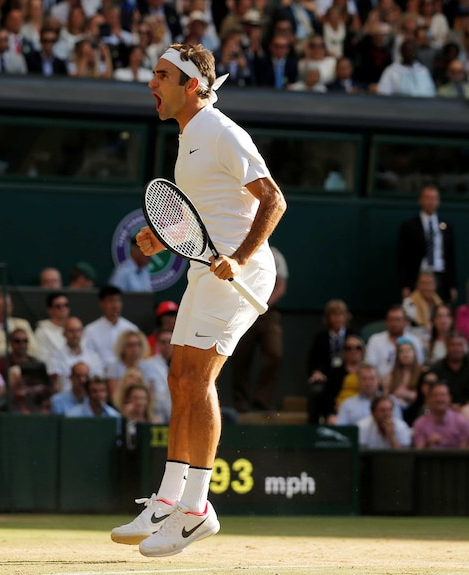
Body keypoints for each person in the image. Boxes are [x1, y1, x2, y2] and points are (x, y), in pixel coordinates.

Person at [111, 43, 286, 557]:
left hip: (239, 275)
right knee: (178, 378)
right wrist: (158, 235)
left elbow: (273, 199)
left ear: (191, 85)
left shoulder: (219, 130)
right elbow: (205, 213)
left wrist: (240, 255)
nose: (151, 83)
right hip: (205, 272)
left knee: (198, 379)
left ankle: (197, 509)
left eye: (161, 75)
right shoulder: (190, 134)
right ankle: (168, 501)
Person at [230, 246, 288, 412]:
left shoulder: (276, 256)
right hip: (242, 309)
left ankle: (262, 399)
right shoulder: (239, 251)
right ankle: (240, 401)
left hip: (267, 313)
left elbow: (281, 286)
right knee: (240, 355)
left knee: (274, 353)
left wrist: (262, 304)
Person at [396, 185, 456, 304]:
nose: (431, 201)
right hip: (417, 275)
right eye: (428, 198)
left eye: (434, 198)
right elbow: (402, 257)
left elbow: (450, 256)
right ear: (420, 200)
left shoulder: (446, 226)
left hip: (440, 276)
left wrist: (452, 285)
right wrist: (405, 285)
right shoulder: (409, 226)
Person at [83, 286, 140, 369]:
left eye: (118, 300)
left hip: (127, 374)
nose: (115, 305)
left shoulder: (131, 329)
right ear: (101, 303)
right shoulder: (90, 330)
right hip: (101, 375)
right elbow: (88, 356)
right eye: (111, 301)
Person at [46, 316, 104, 393]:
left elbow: (99, 381)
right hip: (66, 399)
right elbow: (56, 385)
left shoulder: (93, 356)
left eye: (78, 330)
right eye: (71, 331)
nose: (75, 334)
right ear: (63, 333)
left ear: (83, 333)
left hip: (90, 398)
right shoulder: (55, 356)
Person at [364, 305, 423, 380]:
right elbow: (370, 366)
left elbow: (418, 366)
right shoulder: (375, 340)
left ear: (405, 322)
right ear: (386, 322)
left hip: (409, 385)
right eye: (390, 319)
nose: (394, 323)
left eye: (397, 320)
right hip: (379, 385)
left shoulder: (415, 341)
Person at [0, 291, 37, 360]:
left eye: (7, 306)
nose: (3, 309)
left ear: (12, 307)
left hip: (23, 364)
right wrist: (18, 347)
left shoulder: (23, 324)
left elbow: (33, 348)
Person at [412, 380, 469, 449]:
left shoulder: (462, 422)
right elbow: (417, 453)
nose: (439, 399)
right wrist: (427, 443)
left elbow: (465, 452)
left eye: (443, 395)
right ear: (429, 399)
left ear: (450, 397)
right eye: (435, 395)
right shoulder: (419, 424)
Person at [429, 332, 469, 406]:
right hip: (444, 407)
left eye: (460, 345)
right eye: (453, 345)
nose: (456, 348)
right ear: (447, 347)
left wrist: (464, 408)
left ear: (464, 347)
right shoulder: (437, 367)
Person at [140, 328, 173, 423]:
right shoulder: (148, 364)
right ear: (158, 344)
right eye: (163, 342)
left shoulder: (183, 365)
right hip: (156, 410)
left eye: (170, 342)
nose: (167, 345)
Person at [33, 292, 70, 362]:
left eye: (66, 305)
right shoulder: (42, 331)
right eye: (58, 306)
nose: (63, 308)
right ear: (50, 310)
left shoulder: (75, 329)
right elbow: (41, 357)